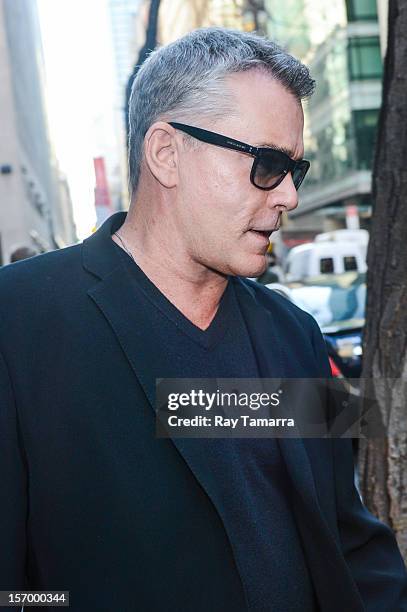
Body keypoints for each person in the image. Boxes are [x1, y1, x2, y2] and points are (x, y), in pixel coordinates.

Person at [0, 27, 406, 612]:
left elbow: (349, 538)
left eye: (296, 168)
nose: (289, 195)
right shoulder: (20, 324)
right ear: (166, 153)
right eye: (266, 164)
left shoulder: (294, 334)